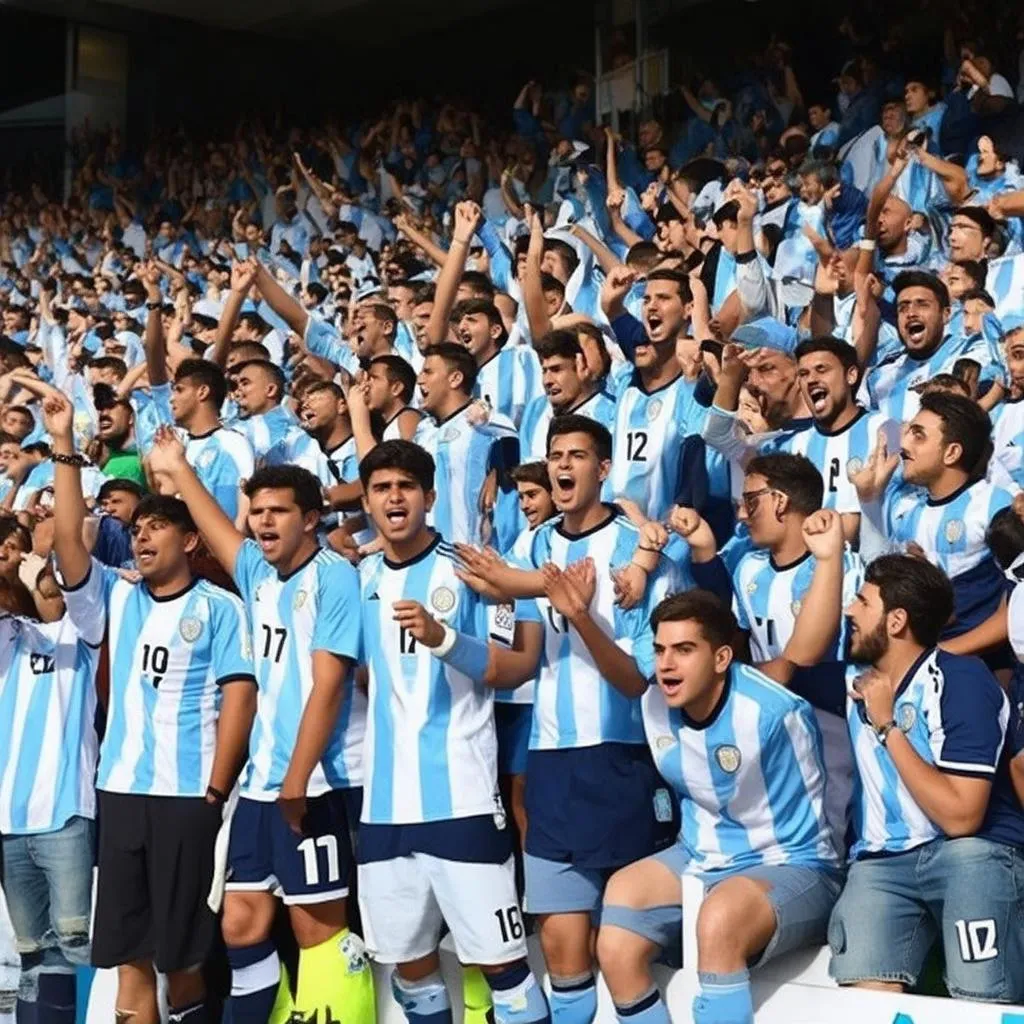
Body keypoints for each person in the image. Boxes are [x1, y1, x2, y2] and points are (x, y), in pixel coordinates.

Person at [44, 387, 258, 1024]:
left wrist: (216, 792)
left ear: (191, 540)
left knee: (184, 962)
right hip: (121, 796)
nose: (140, 539)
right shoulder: (116, 597)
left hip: (188, 798)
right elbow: (69, 549)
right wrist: (62, 446)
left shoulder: (221, 609)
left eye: (156, 527)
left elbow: (239, 697)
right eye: (136, 531)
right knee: (128, 959)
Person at [146, 432, 375, 1024]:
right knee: (241, 922)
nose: (263, 522)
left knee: (317, 927)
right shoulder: (257, 572)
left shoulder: (335, 578)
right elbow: (219, 528)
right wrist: (177, 466)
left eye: (279, 512)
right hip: (260, 787)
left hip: (317, 785)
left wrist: (296, 779)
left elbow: (328, 687)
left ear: (312, 520)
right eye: (259, 511)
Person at [459, 415, 678, 1024]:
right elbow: (522, 661)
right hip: (551, 763)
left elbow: (639, 679)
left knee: (623, 947)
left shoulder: (639, 553)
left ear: (603, 469)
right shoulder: (533, 545)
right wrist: (445, 642)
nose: (562, 465)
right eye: (555, 454)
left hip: (622, 758)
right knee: (560, 950)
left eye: (577, 455)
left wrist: (581, 616)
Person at [354, 439, 550, 1024]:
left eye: (406, 486)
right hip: (384, 809)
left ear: (430, 497)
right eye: (383, 488)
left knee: (503, 966)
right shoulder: (361, 576)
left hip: (461, 799)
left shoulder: (473, 567)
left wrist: (443, 640)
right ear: (365, 501)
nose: (395, 497)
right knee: (410, 968)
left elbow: (514, 665)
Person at [596, 587, 841, 1024]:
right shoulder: (654, 702)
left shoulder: (774, 711)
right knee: (617, 922)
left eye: (684, 650)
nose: (666, 663)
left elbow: (824, 807)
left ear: (723, 658)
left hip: (792, 862)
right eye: (660, 651)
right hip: (700, 853)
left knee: (721, 917)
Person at [829, 555, 1024, 1003]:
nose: (849, 611)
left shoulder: (961, 680)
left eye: (862, 600)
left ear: (896, 620)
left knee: (980, 1002)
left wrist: (887, 728)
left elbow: (962, 816)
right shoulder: (849, 681)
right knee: (864, 1005)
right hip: (880, 864)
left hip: (969, 853)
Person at [0, 560, 99, 1024]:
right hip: (9, 824)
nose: (55, 591)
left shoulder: (82, 638)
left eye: (62, 585)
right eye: (45, 583)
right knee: (32, 954)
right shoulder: (8, 639)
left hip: (67, 816)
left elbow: (81, 590)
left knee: (77, 944)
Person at [854, 391, 1013, 653]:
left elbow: (1016, 603)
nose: (904, 443)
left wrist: (943, 653)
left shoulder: (992, 505)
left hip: (979, 665)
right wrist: (868, 495)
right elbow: (874, 559)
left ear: (951, 453)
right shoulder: (903, 504)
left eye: (918, 435)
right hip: (918, 661)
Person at [168, 358, 255, 526]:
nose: (172, 399)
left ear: (202, 392)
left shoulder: (233, 443)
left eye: (179, 390)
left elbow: (243, 508)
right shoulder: (178, 447)